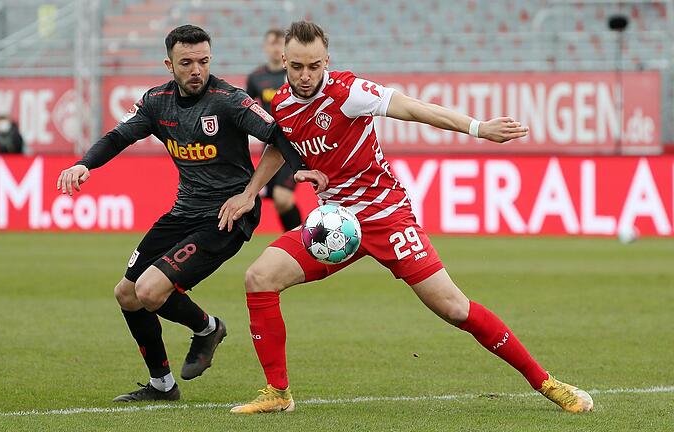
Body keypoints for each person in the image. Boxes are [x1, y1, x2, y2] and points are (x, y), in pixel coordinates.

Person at [220, 21, 594, 414]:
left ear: (326, 60)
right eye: (297, 66)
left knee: (454, 308)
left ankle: (548, 383)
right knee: (259, 277)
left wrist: (478, 128)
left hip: (385, 215)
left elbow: (414, 109)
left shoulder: (349, 92)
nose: (306, 75)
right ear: (284, 60)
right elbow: (281, 147)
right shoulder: (280, 102)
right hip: (336, 225)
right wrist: (249, 193)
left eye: (314, 65)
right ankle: (278, 394)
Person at [56, 24, 326, 403]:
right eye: (187, 62)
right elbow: (119, 136)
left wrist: (283, 178)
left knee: (150, 290)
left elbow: (278, 135)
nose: (196, 69)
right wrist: (85, 164)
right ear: (169, 64)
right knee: (127, 294)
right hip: (184, 212)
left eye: (203, 61)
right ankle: (162, 386)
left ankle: (207, 328)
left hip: (226, 217)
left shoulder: (229, 100)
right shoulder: (156, 102)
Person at [245, 29, 303, 231]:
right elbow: (246, 108)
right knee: (278, 202)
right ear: (265, 46)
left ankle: (302, 242)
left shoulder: (295, 75)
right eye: (272, 43)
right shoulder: (256, 78)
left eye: (280, 44)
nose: (276, 48)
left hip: (293, 144)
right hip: (270, 144)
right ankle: (298, 241)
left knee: (282, 197)